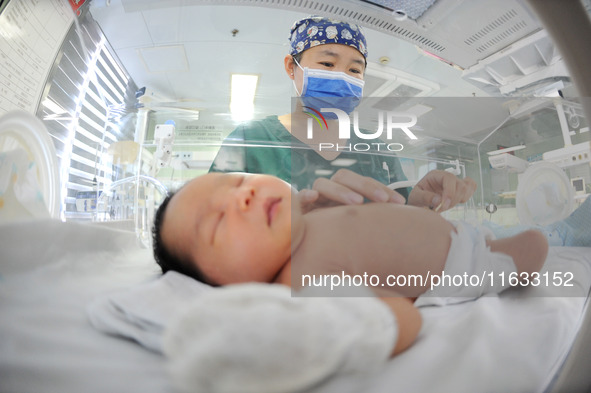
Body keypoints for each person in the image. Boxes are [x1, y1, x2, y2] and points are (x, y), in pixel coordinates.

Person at [152, 172, 548, 356]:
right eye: (218, 222)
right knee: (534, 246)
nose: (246, 195)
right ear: (222, 286)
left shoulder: (309, 218)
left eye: (237, 181)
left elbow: (381, 238)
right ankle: (515, 255)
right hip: (467, 262)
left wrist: (415, 208)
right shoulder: (299, 283)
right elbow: (395, 317)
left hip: (456, 229)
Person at [209, 15, 476, 213]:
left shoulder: (374, 148)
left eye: (354, 71)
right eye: (327, 63)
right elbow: (208, 221)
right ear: (292, 67)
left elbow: (397, 219)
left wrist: (419, 203)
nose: (341, 77)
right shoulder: (252, 140)